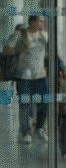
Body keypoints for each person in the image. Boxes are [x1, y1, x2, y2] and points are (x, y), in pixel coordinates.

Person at [4, 16, 61, 144]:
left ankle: (39, 128)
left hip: (40, 76)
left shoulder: (45, 35)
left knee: (45, 103)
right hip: (23, 76)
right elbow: (6, 50)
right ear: (32, 22)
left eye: (43, 21)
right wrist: (19, 49)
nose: (42, 23)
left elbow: (52, 52)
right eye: (40, 21)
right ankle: (26, 132)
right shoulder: (20, 34)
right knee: (25, 105)